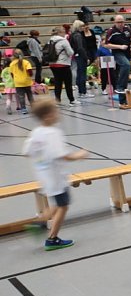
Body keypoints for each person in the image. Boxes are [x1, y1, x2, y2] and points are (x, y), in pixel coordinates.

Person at [22, 97, 88, 250]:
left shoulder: (36, 132)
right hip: (56, 176)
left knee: (57, 203)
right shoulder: (52, 133)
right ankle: (52, 238)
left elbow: (27, 152)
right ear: (47, 116)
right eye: (55, 111)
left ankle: (38, 222)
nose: (58, 113)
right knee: (63, 206)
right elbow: (63, 156)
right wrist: (80, 155)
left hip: (44, 176)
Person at [103, 15, 131, 94]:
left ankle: (123, 88)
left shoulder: (127, 29)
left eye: (122, 22)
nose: (120, 24)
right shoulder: (111, 31)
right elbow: (106, 44)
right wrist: (119, 47)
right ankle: (120, 87)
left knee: (126, 69)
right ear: (115, 22)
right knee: (126, 65)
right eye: (118, 22)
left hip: (127, 52)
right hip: (117, 52)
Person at [47, 27, 76, 106]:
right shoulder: (63, 41)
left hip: (52, 64)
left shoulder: (50, 40)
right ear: (60, 32)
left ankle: (57, 100)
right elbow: (70, 52)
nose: (65, 33)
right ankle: (71, 100)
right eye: (63, 32)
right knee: (68, 83)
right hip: (63, 64)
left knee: (57, 83)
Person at [9, 49, 34, 114]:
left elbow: (12, 74)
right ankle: (34, 107)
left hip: (18, 83)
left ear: (14, 55)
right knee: (30, 95)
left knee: (21, 96)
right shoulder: (26, 62)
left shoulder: (12, 63)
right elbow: (30, 72)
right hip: (27, 81)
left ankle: (23, 109)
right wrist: (30, 75)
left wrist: (15, 79)